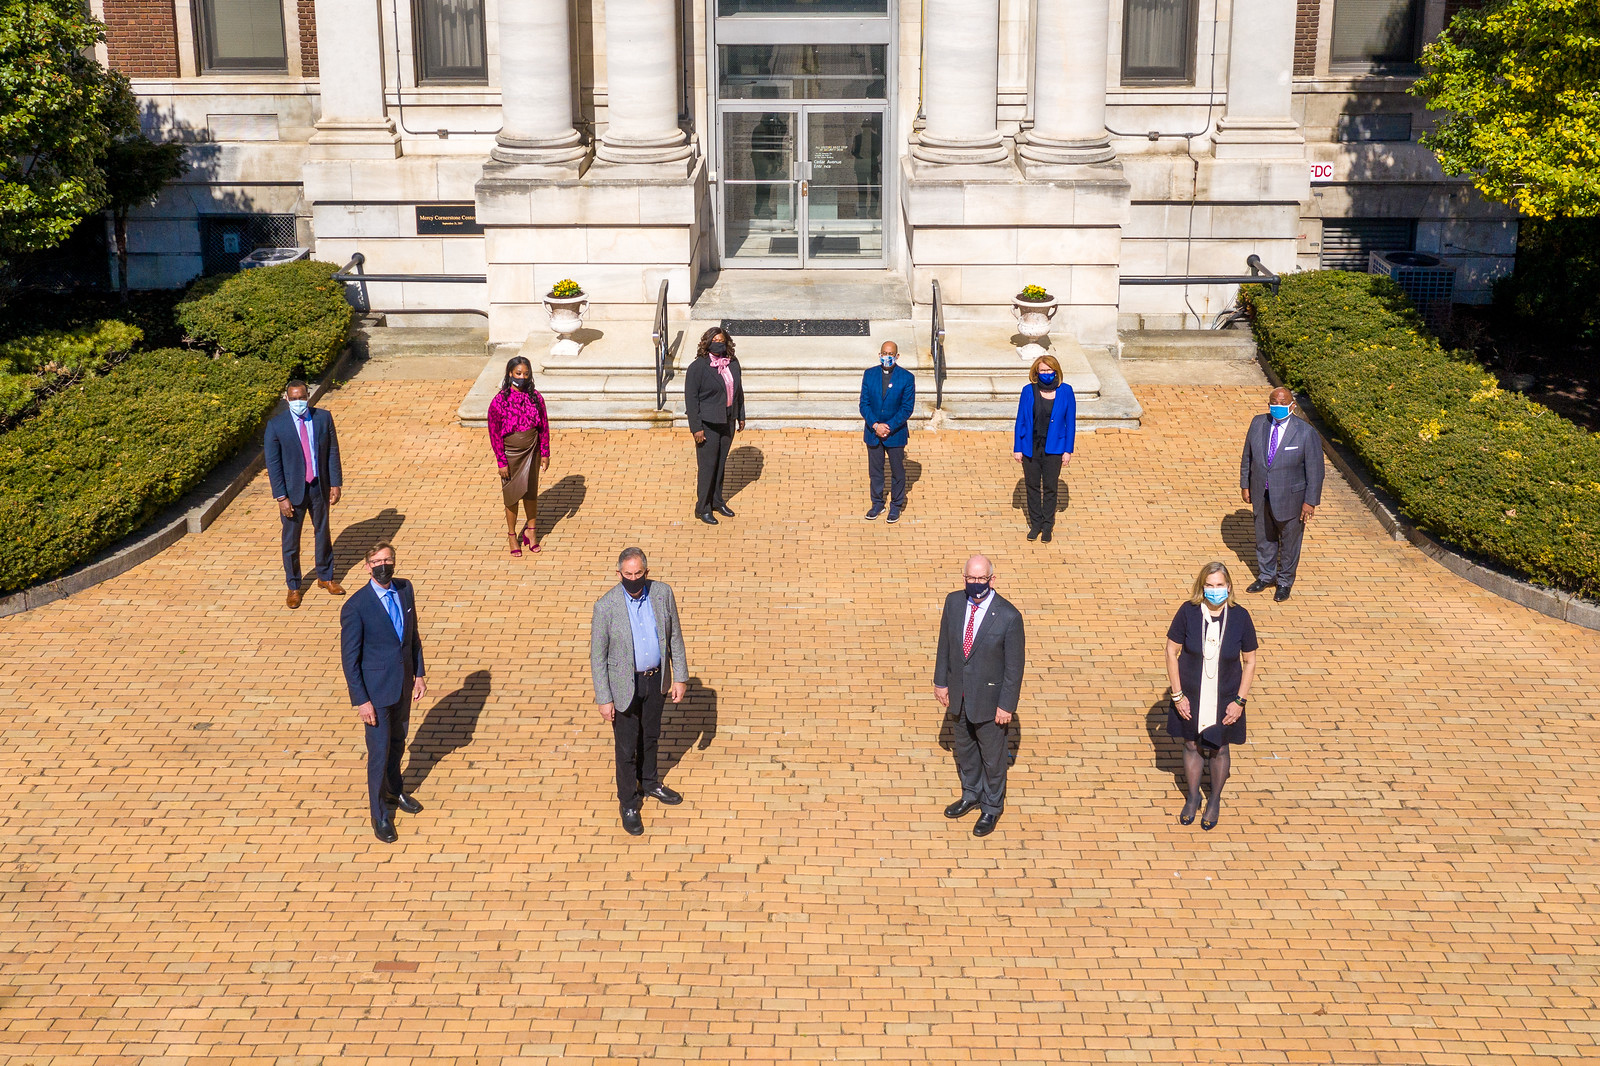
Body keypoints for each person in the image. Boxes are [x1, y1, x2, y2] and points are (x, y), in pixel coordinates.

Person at [590, 548, 689, 836]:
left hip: (655, 681)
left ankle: (650, 781)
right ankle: (629, 803)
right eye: (628, 574)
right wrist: (604, 698)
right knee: (625, 747)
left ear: (646, 571)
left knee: (652, 736)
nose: (633, 579)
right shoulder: (606, 606)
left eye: (638, 574)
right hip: (624, 686)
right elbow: (598, 656)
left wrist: (679, 677)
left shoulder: (662, 594)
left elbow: (675, 637)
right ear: (618, 573)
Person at [339, 542, 428, 843]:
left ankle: (395, 790)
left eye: (388, 559)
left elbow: (412, 634)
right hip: (375, 695)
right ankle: (379, 814)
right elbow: (350, 660)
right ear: (367, 567)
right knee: (379, 754)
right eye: (377, 561)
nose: (383, 565)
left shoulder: (405, 589)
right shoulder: (355, 606)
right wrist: (362, 701)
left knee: (398, 743)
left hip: (402, 685)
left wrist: (419, 673)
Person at [933, 554, 1026, 838]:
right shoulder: (954, 602)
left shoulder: (1009, 616)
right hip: (959, 694)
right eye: (970, 579)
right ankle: (970, 793)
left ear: (992, 579)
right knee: (966, 750)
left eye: (980, 579)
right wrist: (940, 681)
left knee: (993, 758)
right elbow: (945, 643)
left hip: (990, 701)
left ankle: (991, 806)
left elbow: (1014, 667)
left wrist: (1006, 705)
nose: (975, 584)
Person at [1165, 561, 1257, 830]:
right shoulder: (1188, 612)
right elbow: (1171, 651)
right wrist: (1178, 695)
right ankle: (1193, 797)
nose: (1215, 590)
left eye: (1220, 585)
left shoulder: (1240, 617)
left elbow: (1250, 661)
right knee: (1191, 745)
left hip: (1226, 695)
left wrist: (1239, 701)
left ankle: (1214, 799)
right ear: (1201, 587)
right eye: (1210, 585)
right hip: (1191, 692)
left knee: (1219, 748)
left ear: (1228, 587)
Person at [1240, 386, 1325, 601]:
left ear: (1292, 406)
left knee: (1289, 543)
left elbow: (1315, 471)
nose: (1277, 407)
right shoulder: (1258, 423)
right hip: (1262, 493)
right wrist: (1245, 485)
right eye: (1273, 403)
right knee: (1265, 538)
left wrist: (1310, 502)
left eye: (1282, 403)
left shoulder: (1306, 432)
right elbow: (1247, 457)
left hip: (1292, 499)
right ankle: (1266, 575)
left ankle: (1285, 581)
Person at [263, 380, 343, 608]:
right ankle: (294, 586)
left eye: (302, 397)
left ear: (308, 396)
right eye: (294, 398)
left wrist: (335, 483)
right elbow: (274, 464)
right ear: (286, 398)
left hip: (319, 486)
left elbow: (332, 452)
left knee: (323, 533)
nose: (299, 402)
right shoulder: (276, 426)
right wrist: (281, 497)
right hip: (292, 493)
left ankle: (325, 577)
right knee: (291, 542)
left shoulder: (323, 418)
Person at [486, 356, 551, 556]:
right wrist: (501, 460)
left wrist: (545, 453)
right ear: (509, 374)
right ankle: (512, 535)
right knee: (512, 496)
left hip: (532, 449)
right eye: (518, 373)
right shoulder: (500, 401)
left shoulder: (536, 398)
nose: (522, 377)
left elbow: (544, 426)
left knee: (531, 492)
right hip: (511, 453)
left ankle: (531, 532)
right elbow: (494, 433)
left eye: (526, 374)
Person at [684, 327, 746, 525]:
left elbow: (739, 391)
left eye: (722, 340)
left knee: (720, 465)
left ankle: (718, 501)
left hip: (727, 420)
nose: (718, 343)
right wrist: (696, 428)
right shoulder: (698, 367)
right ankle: (703, 507)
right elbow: (691, 400)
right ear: (707, 342)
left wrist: (740, 415)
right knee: (708, 467)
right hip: (708, 425)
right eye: (715, 340)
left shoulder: (733, 363)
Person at [1011, 354, 1076, 542]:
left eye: (1049, 370)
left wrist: (1067, 450)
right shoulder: (1028, 391)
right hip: (1031, 446)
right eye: (1042, 370)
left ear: (1056, 371)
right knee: (1031, 486)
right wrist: (1017, 447)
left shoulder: (1066, 391)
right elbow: (1020, 420)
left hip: (1054, 448)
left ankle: (1048, 526)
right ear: (1036, 372)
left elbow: (1070, 423)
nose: (1046, 373)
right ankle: (1035, 524)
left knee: (1050, 487)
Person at [858, 340, 915, 522]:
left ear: (897, 356)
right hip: (873, 432)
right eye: (884, 353)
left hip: (895, 433)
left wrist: (888, 426)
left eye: (890, 354)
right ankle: (877, 503)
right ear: (879, 354)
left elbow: (906, 408)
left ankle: (896, 506)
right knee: (875, 471)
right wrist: (875, 425)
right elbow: (864, 404)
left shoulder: (906, 378)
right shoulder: (869, 375)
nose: (887, 356)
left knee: (897, 471)